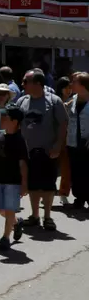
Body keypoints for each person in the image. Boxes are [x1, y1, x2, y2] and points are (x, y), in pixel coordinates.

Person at [15, 69, 68, 231]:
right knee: (32, 185)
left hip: (47, 151)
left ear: (37, 83)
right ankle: (35, 215)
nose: (22, 84)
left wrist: (58, 145)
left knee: (48, 185)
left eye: (25, 81)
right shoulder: (22, 101)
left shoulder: (54, 101)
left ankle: (47, 217)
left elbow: (63, 124)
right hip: (27, 151)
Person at [0, 106, 29, 252]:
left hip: (13, 180)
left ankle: (5, 238)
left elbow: (22, 163)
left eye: (6, 118)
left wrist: (24, 184)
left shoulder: (20, 140)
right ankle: (16, 223)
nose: (2, 120)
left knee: (9, 209)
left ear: (15, 122)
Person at [67, 72, 89, 210]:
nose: (71, 84)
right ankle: (79, 198)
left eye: (74, 81)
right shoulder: (72, 100)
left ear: (83, 85)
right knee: (76, 171)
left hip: (87, 142)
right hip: (73, 141)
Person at [56, 77, 75, 206]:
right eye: (66, 87)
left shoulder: (73, 101)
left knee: (66, 168)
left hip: (67, 138)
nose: (69, 90)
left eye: (70, 87)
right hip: (54, 137)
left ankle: (63, 193)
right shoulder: (55, 101)